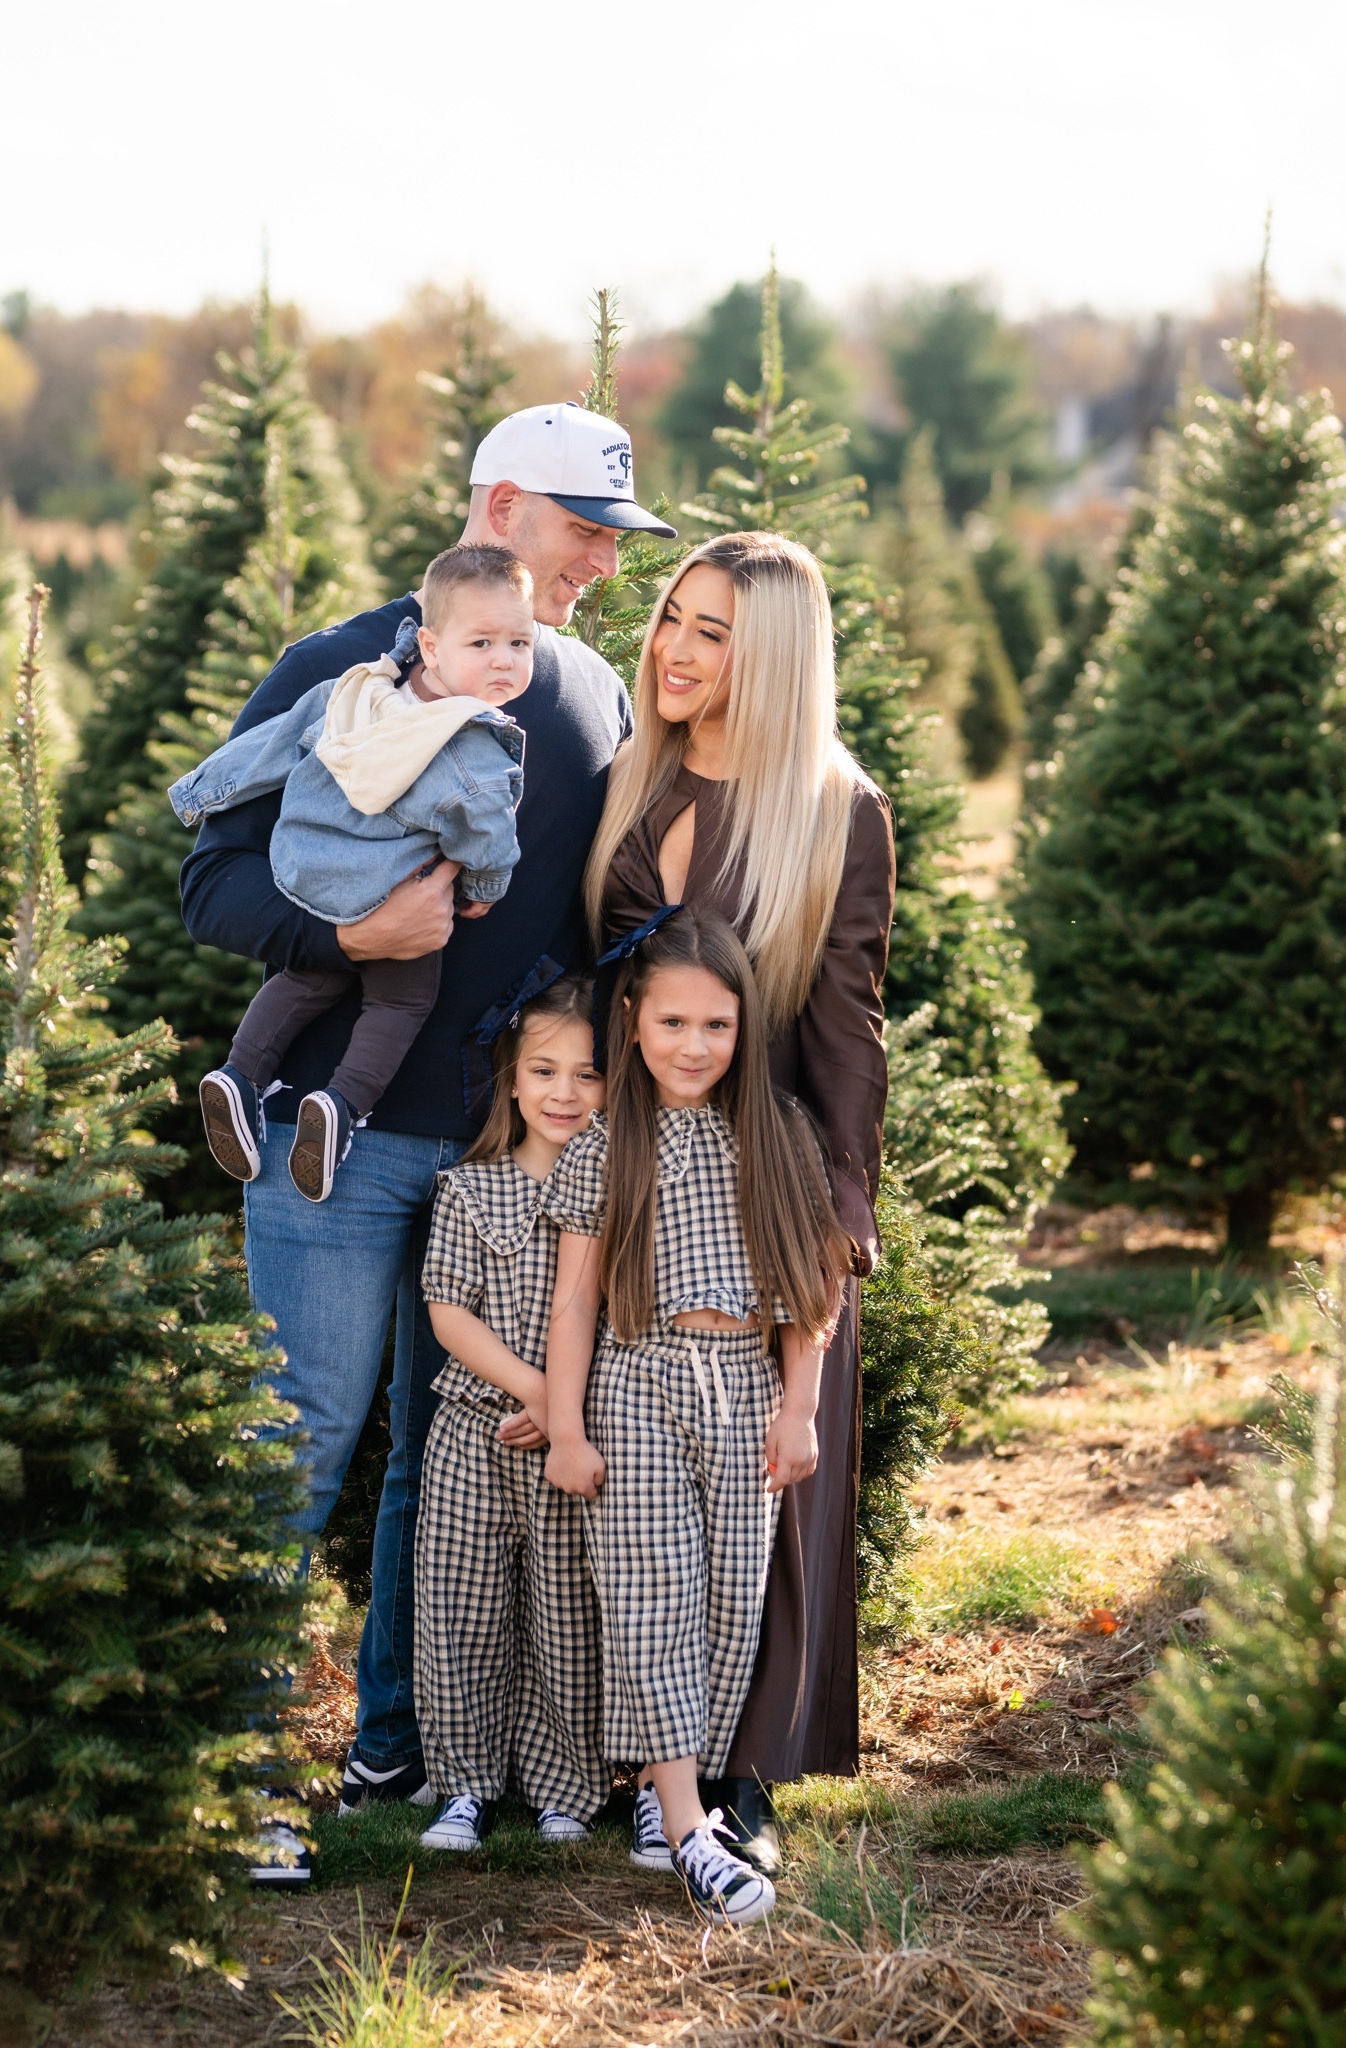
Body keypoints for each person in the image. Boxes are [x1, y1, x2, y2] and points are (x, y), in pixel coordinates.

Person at [178, 401, 675, 1860]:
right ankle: (241, 1773)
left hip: (501, 1167)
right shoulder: (337, 666)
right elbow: (207, 883)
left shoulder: (587, 694)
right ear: (502, 505)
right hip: (340, 1143)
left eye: (610, 540)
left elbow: (605, 911)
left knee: (440, 1454)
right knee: (302, 1437)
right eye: (585, 530)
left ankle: (390, 1751)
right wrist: (341, 925)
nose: (599, 563)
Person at [580, 530, 896, 1869]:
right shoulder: (631, 782)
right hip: (620, 1170)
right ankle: (628, 1762)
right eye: (671, 619)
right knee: (631, 1480)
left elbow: (847, 1026)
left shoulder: (835, 810)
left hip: (757, 1179)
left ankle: (741, 1774)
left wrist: (838, 1210)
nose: (673, 648)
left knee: (759, 1483)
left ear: (766, 657)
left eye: (711, 631)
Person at [541, 908, 851, 1925]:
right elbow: (576, 1299)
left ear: (743, 1028)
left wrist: (799, 1407)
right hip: (637, 1383)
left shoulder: (778, 1133)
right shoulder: (605, 1143)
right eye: (672, 1022)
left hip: (743, 1389)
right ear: (632, 1022)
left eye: (716, 1025)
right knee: (651, 1589)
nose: (692, 1045)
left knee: (723, 1604)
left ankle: (656, 1785)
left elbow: (813, 1286)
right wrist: (567, 1422)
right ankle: (689, 1830)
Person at [172, 546, 533, 1203]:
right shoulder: (471, 739)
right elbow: (487, 833)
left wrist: (198, 791)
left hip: (309, 869)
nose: (504, 660)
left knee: (309, 975)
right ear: (433, 643)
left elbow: (272, 743)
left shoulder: (366, 688)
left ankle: (240, 1073)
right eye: (483, 642)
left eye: (520, 643)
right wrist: (482, 889)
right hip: (388, 892)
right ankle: (339, 1108)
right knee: (400, 999)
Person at [414, 975, 609, 1852]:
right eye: (545, 1071)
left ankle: (565, 1785)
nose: (564, 1094)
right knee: (463, 1607)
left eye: (587, 1075)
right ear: (513, 1081)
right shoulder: (469, 1189)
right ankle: (465, 1785)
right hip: (475, 1430)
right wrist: (538, 1392)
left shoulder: (617, 1193)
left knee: (567, 1615)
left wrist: (567, 1413)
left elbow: (620, 1319)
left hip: (573, 1443)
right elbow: (447, 1310)